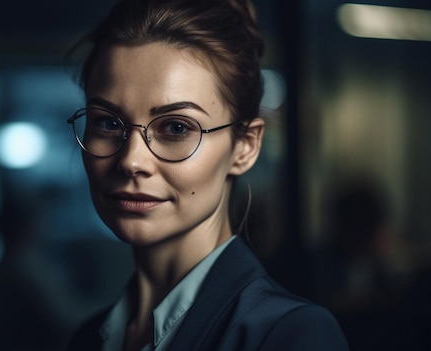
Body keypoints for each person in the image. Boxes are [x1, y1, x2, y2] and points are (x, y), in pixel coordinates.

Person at [65, 0, 348, 350]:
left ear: (245, 146)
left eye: (175, 127)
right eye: (107, 122)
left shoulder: (287, 335)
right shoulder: (88, 339)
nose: (131, 161)